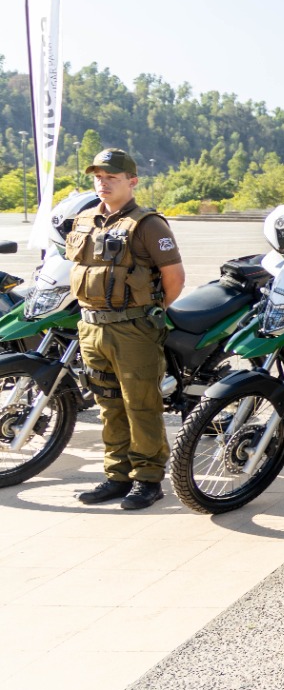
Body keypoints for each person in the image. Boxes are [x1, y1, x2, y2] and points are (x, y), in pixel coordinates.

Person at [70, 148, 187, 511]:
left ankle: (148, 480)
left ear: (132, 181)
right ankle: (117, 476)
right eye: (98, 177)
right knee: (108, 404)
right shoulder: (85, 219)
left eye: (111, 177)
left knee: (141, 406)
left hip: (133, 330)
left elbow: (175, 279)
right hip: (91, 329)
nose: (102, 183)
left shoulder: (148, 224)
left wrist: (147, 313)